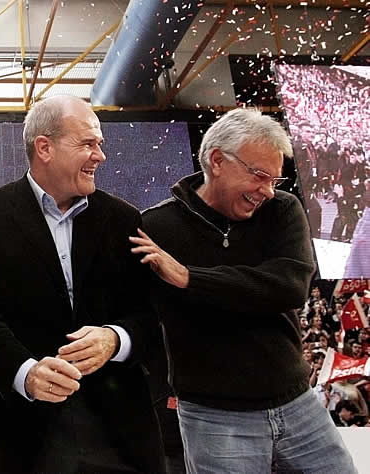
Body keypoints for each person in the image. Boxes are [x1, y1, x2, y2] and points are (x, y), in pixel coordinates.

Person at [130, 108, 356, 473]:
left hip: (298, 404)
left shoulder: (283, 209)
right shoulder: (155, 227)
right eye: (260, 176)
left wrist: (190, 278)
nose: (267, 191)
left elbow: (289, 287)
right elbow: (139, 315)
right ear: (217, 160)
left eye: (275, 180)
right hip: (213, 418)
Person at [0, 95, 165, 473]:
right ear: (44, 147)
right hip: (24, 429)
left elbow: (150, 316)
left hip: (120, 428)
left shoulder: (124, 220)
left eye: (99, 143)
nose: (99, 155)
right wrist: (26, 372)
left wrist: (115, 339)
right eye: (87, 143)